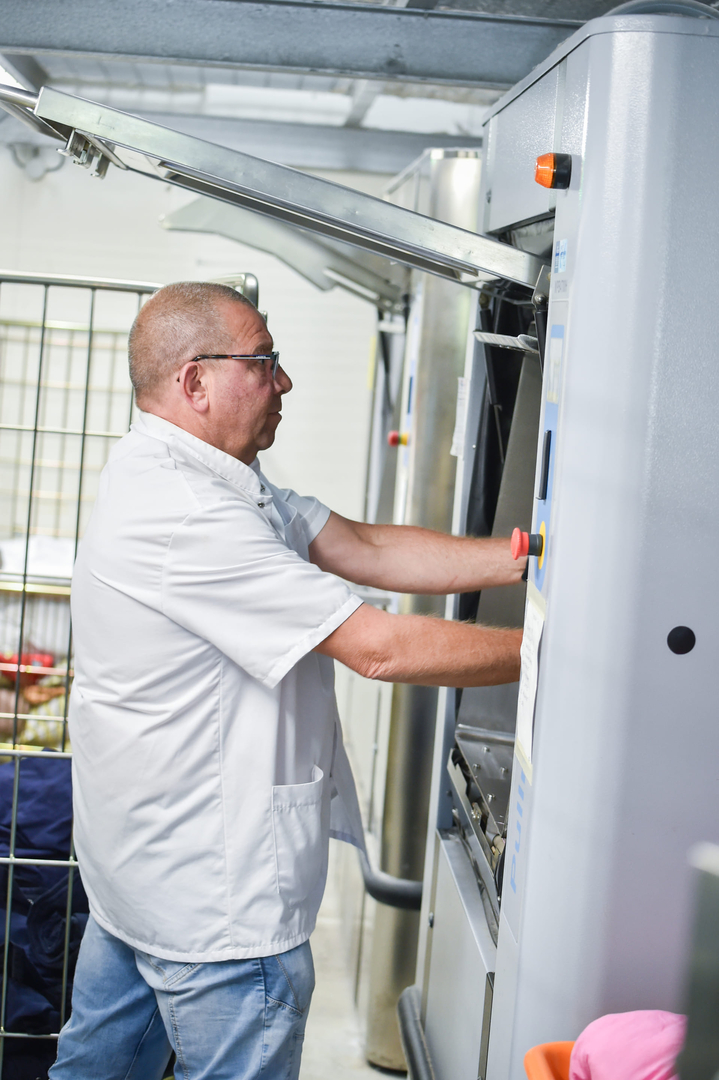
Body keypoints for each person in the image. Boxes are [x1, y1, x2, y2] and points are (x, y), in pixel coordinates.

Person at [50, 282, 524, 1080]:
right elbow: (377, 648)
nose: (285, 381)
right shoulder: (189, 513)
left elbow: (365, 548)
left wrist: (528, 556)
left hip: (142, 879)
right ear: (195, 381)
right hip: (217, 909)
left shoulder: (201, 476)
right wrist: (555, 653)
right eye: (264, 361)